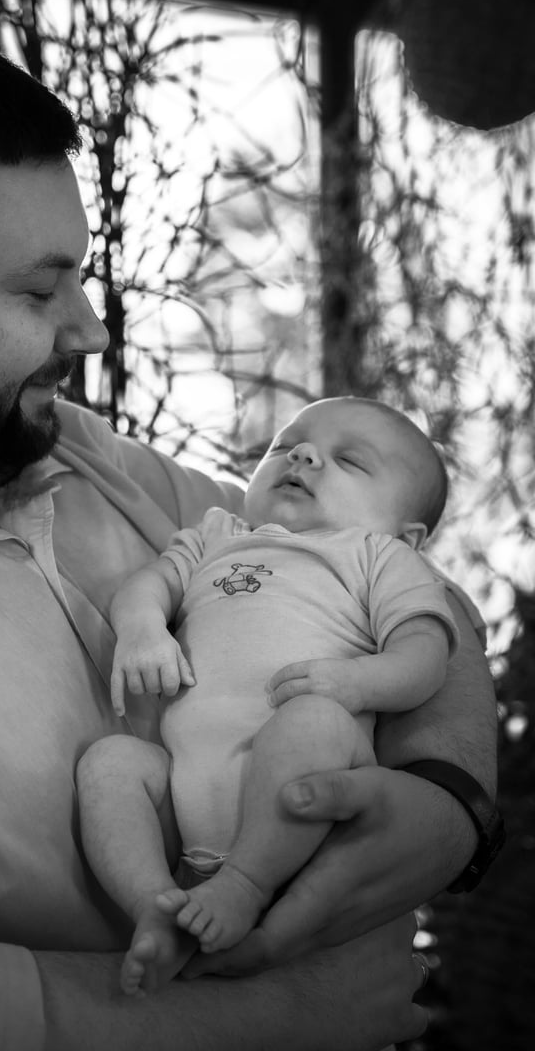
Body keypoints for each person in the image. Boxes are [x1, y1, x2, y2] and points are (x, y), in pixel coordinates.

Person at [0, 28, 497, 1051]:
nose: (90, 329)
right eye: (37, 290)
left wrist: (448, 798)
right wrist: (291, 1015)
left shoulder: (67, 447)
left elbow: (400, 582)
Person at [78, 396, 459, 994]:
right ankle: (153, 902)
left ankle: (246, 885)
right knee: (110, 763)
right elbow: (148, 586)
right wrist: (143, 628)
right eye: (286, 445)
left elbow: (425, 655)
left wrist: (357, 683)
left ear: (407, 534)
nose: (302, 455)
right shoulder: (215, 536)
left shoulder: (377, 555)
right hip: (182, 791)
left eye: (350, 460)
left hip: (302, 813)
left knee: (313, 722)